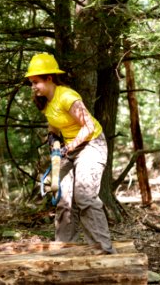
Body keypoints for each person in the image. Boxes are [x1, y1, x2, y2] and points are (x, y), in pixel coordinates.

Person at [25, 53, 116, 254]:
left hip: (91, 144)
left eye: (36, 82)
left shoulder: (67, 96)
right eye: (31, 82)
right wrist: (53, 142)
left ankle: (103, 250)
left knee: (84, 196)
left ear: (49, 79)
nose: (33, 87)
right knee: (64, 198)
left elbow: (89, 126)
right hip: (70, 148)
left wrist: (69, 147)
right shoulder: (45, 102)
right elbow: (54, 129)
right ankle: (65, 248)